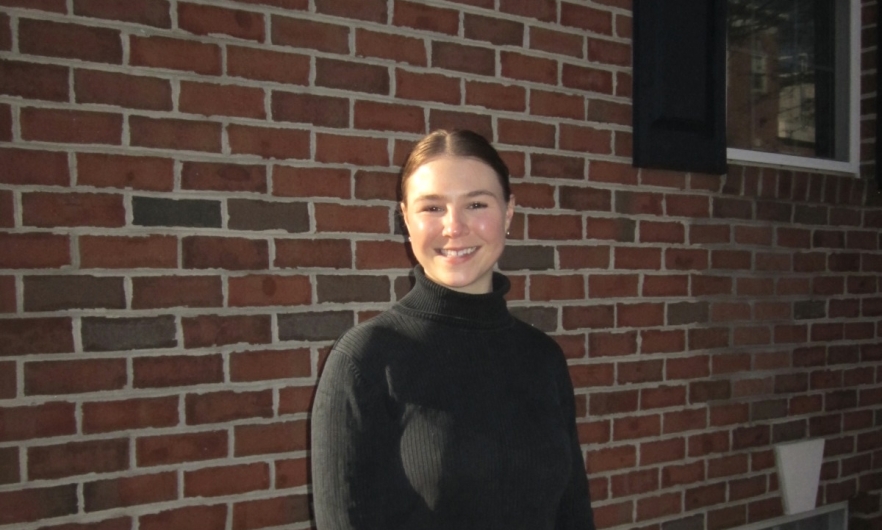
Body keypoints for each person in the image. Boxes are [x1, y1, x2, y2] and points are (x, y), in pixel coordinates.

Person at [311, 129, 596, 530]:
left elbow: (573, 515)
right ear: (406, 219)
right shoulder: (366, 360)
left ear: (509, 213)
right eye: (432, 208)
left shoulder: (542, 358)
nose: (454, 227)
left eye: (476, 203)